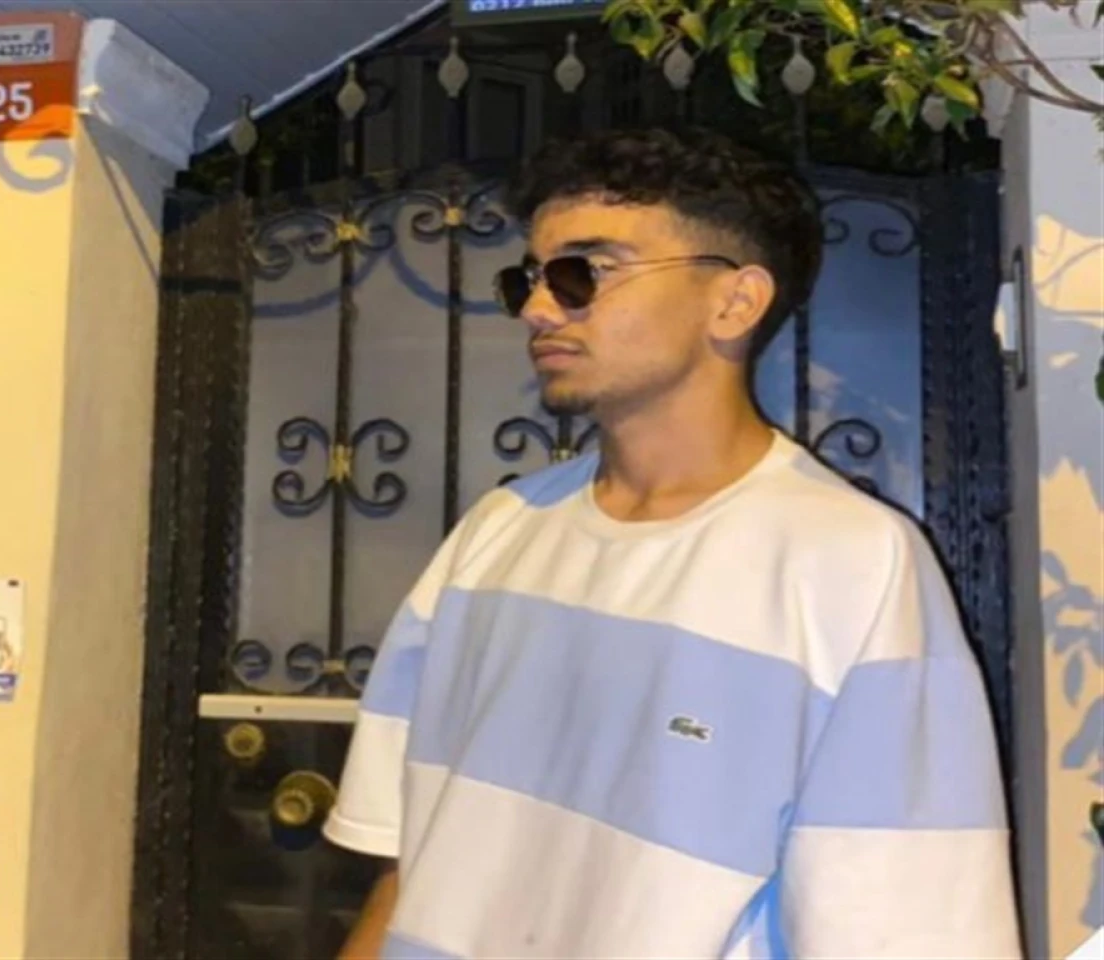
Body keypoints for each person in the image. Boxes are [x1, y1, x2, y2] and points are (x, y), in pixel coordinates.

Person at [322, 127, 1021, 960]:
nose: (540, 308)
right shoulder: (495, 536)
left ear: (735, 302)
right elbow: (406, 865)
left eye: (586, 271)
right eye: (530, 279)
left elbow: (905, 928)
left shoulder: (850, 564)